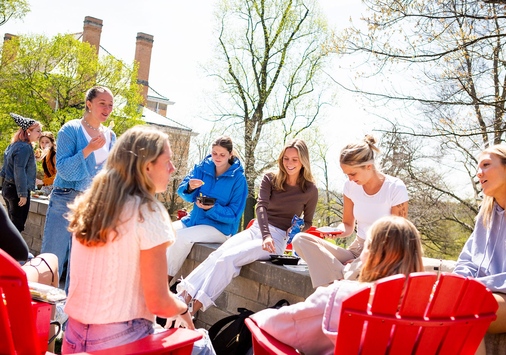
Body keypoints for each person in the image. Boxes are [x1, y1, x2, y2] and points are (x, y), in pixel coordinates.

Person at [62, 126, 214, 354]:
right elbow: (158, 301)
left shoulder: (90, 206)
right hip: (121, 341)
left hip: (73, 338)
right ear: (147, 166)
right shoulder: (147, 211)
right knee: (202, 344)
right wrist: (183, 309)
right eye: (168, 161)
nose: (173, 169)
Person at [177, 138, 318, 315]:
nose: (289, 163)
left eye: (294, 159)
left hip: (275, 240)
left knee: (227, 260)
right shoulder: (271, 178)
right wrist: (264, 233)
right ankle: (183, 298)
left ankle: (191, 311)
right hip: (256, 231)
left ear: (303, 161)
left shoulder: (310, 190)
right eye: (286, 158)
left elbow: (309, 222)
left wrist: (298, 229)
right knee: (217, 254)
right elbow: (261, 207)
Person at [251, 215, 424, 355]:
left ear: (371, 253)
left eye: (365, 246)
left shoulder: (340, 297)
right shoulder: (430, 310)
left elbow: (282, 325)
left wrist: (255, 318)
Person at [292, 134, 409, 288]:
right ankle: (345, 275)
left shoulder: (395, 188)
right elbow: (347, 225)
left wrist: (364, 260)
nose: (350, 179)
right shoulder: (350, 186)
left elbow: (398, 238)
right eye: (346, 174)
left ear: (369, 166)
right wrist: (335, 231)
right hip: (356, 250)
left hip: (383, 254)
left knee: (356, 267)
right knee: (300, 240)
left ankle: (338, 282)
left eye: (353, 173)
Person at [41, 86, 116, 289]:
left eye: (110, 104)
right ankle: (41, 313)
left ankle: (69, 318)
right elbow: (64, 170)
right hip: (65, 198)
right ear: (89, 104)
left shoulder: (111, 136)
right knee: (51, 259)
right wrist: (89, 149)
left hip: (92, 206)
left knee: (81, 265)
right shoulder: (70, 129)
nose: (107, 108)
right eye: (102, 103)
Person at [166, 136, 248, 284]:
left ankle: (163, 284)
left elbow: (235, 215)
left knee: (182, 238)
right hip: (195, 220)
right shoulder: (202, 167)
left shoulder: (239, 179)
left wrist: (212, 208)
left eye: (222, 154)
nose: (217, 157)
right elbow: (181, 191)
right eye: (215, 153)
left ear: (230, 155)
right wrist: (189, 187)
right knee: (164, 232)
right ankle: (147, 279)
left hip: (219, 228)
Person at [453, 144, 506, 355]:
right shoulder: (486, 213)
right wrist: (455, 285)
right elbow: (468, 260)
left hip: (498, 293)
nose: (479, 172)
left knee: (465, 313)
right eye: (478, 167)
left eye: (486, 165)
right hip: (487, 292)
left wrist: (479, 286)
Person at [1, 113, 42, 232]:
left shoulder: (14, 145)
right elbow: (19, 171)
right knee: (16, 228)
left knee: (11, 227)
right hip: (16, 191)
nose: (40, 134)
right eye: (38, 131)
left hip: (8, 188)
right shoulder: (24, 147)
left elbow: (5, 168)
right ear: (28, 131)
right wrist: (23, 194)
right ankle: (11, 250)